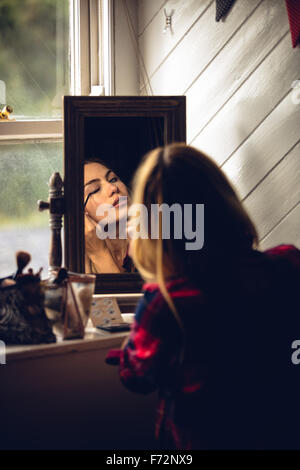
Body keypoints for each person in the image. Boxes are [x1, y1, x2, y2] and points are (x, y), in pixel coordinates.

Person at [106, 143, 300, 450]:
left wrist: (126, 350)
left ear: (150, 230)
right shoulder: (288, 264)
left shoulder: (164, 304)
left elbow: (136, 376)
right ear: (226, 204)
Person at [84, 158, 135, 273]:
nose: (113, 188)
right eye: (95, 190)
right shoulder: (77, 263)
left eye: (113, 179)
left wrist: (99, 254)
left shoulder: (156, 243)